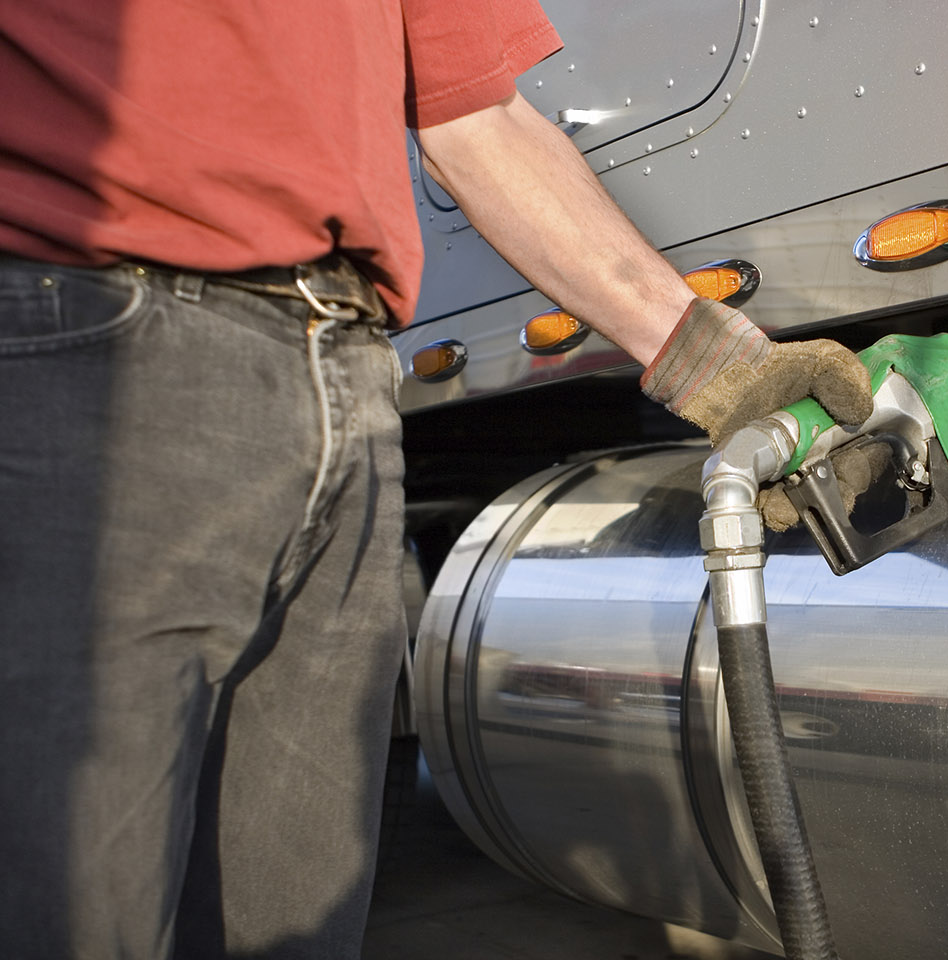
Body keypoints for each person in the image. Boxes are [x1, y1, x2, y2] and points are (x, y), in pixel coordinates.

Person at [0, 2, 874, 957]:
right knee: (72, 908)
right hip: (87, 334)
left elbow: (475, 117)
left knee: (295, 917)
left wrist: (729, 374)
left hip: (342, 362)